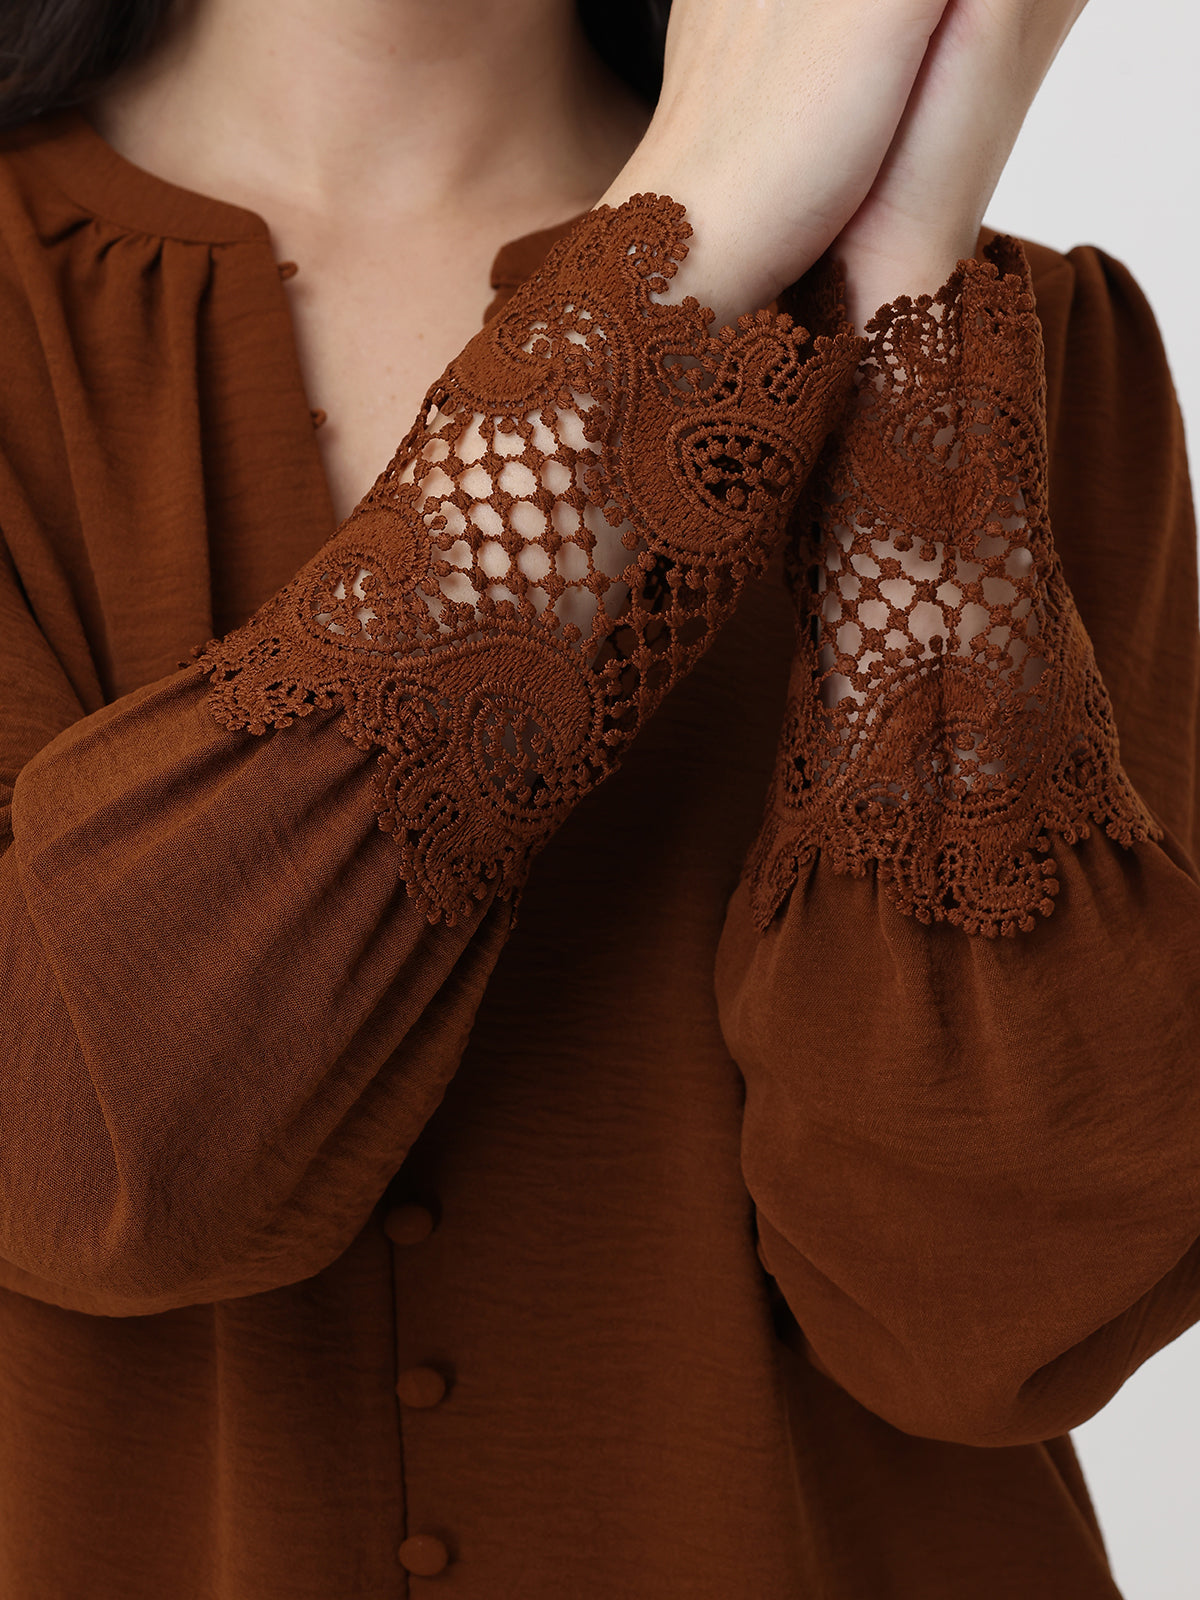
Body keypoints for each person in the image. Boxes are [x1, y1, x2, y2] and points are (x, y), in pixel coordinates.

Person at [0, 0, 1195, 1595]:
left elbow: (997, 1306)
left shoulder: (1006, 346)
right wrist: (698, 221)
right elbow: (89, 1153)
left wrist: (899, 277)